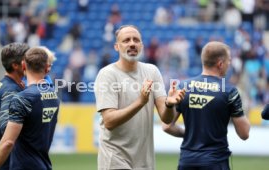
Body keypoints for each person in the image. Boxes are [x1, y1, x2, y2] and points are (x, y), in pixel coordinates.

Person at [94, 25, 185, 170]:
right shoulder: (107, 74)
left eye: (136, 40)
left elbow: (166, 119)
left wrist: (169, 104)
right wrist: (140, 102)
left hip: (144, 160)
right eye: (126, 40)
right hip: (115, 159)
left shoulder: (152, 71)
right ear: (116, 47)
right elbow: (109, 121)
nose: (132, 43)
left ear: (141, 46)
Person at [163, 41, 250, 170]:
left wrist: (191, 134)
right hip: (215, 162)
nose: (229, 64)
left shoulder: (183, 87)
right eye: (228, 60)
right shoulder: (229, 91)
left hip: (187, 161)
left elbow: (167, 126)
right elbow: (244, 133)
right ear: (220, 64)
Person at [0, 47, 60, 169]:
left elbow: (8, 141)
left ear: (23, 65)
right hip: (44, 164)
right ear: (47, 68)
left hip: (23, 166)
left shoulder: (22, 98)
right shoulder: (54, 96)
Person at [0, 42, 29, 170]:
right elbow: (6, 130)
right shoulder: (11, 91)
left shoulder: (1, 85)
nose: (29, 64)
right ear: (15, 65)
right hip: (7, 164)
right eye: (26, 60)